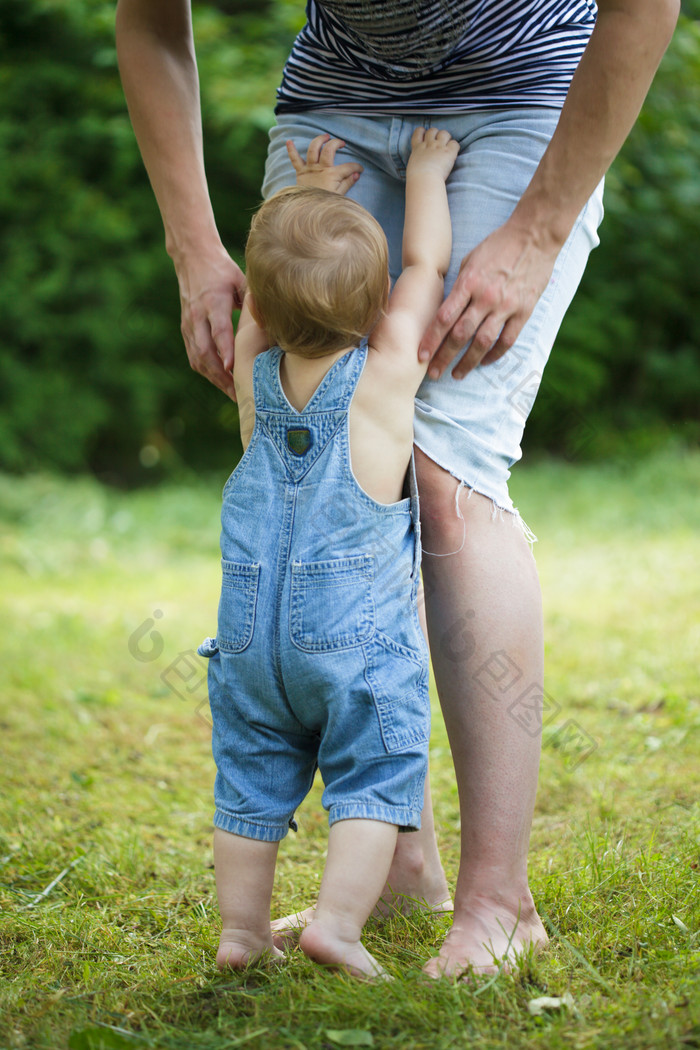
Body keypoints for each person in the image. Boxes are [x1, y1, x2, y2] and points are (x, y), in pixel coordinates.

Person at [115, 0, 680, 977]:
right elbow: (149, 17)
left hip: (520, 95)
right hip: (333, 105)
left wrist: (536, 232)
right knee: (342, 455)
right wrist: (192, 249)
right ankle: (394, 866)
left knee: (442, 466)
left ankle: (498, 902)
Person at [196, 127, 458, 978]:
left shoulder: (252, 374)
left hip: (248, 642)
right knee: (374, 775)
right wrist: (425, 174)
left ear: (260, 311)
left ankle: (241, 934)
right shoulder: (382, 381)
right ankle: (337, 925)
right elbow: (426, 269)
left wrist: (303, 194)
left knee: (250, 782)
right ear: (377, 306)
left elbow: (270, 289)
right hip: (351, 644)